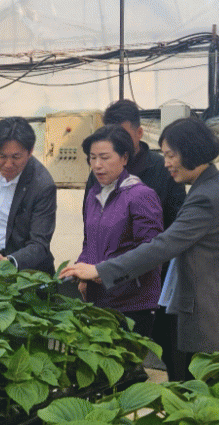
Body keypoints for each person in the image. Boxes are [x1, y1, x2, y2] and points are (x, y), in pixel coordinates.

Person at [60, 117, 219, 380]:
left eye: (170, 155)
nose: (166, 163)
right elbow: (91, 240)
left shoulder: (204, 196)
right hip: (213, 308)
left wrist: (100, 270)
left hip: (213, 314)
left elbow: (161, 246)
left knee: (201, 389)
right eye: (92, 158)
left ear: (191, 151)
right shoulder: (216, 186)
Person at [84, 99, 186, 380]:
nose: (99, 164)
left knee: (165, 347)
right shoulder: (97, 180)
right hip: (105, 283)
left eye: (123, 137)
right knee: (112, 362)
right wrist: (87, 266)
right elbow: (90, 233)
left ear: (138, 135)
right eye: (94, 157)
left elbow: (175, 227)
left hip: (152, 278)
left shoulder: (159, 171)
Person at [78, 125, 163, 337]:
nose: (97, 165)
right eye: (92, 158)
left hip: (132, 303)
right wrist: (81, 271)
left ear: (124, 158)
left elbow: (150, 253)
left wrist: (104, 272)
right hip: (99, 300)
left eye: (105, 157)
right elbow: (89, 243)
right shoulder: (94, 195)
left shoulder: (141, 195)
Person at [0, 117, 56, 275]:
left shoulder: (42, 185)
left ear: (30, 152)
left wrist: (11, 262)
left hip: (24, 270)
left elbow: (40, 243)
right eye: (1, 156)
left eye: (16, 157)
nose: (8, 164)